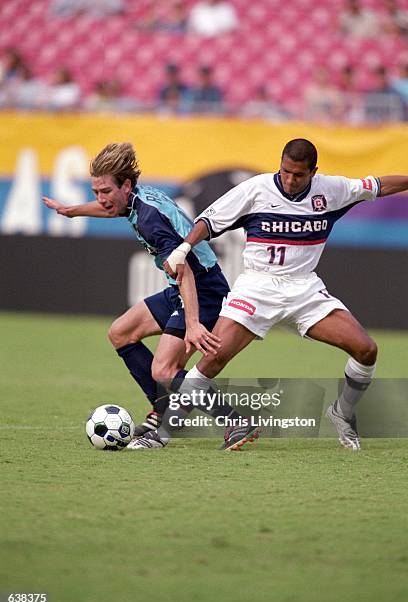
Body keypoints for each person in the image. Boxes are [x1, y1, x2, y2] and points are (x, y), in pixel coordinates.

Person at [163, 138, 408, 451]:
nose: (290, 180)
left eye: (299, 175)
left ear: (313, 172)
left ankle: (342, 413)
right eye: (285, 171)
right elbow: (209, 221)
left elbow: (378, 185)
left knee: (366, 350)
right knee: (214, 357)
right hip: (257, 286)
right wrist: (183, 249)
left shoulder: (331, 190)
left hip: (303, 287)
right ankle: (162, 431)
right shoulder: (257, 189)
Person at [43, 142, 253, 451]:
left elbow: (184, 271)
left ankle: (235, 422)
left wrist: (193, 324)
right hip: (183, 288)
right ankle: (165, 408)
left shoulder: (149, 219)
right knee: (121, 332)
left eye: (105, 192)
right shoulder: (136, 199)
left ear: (126, 185)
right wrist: (71, 210)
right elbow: (109, 208)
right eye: (95, 191)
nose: (100, 199)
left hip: (202, 290)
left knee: (163, 370)